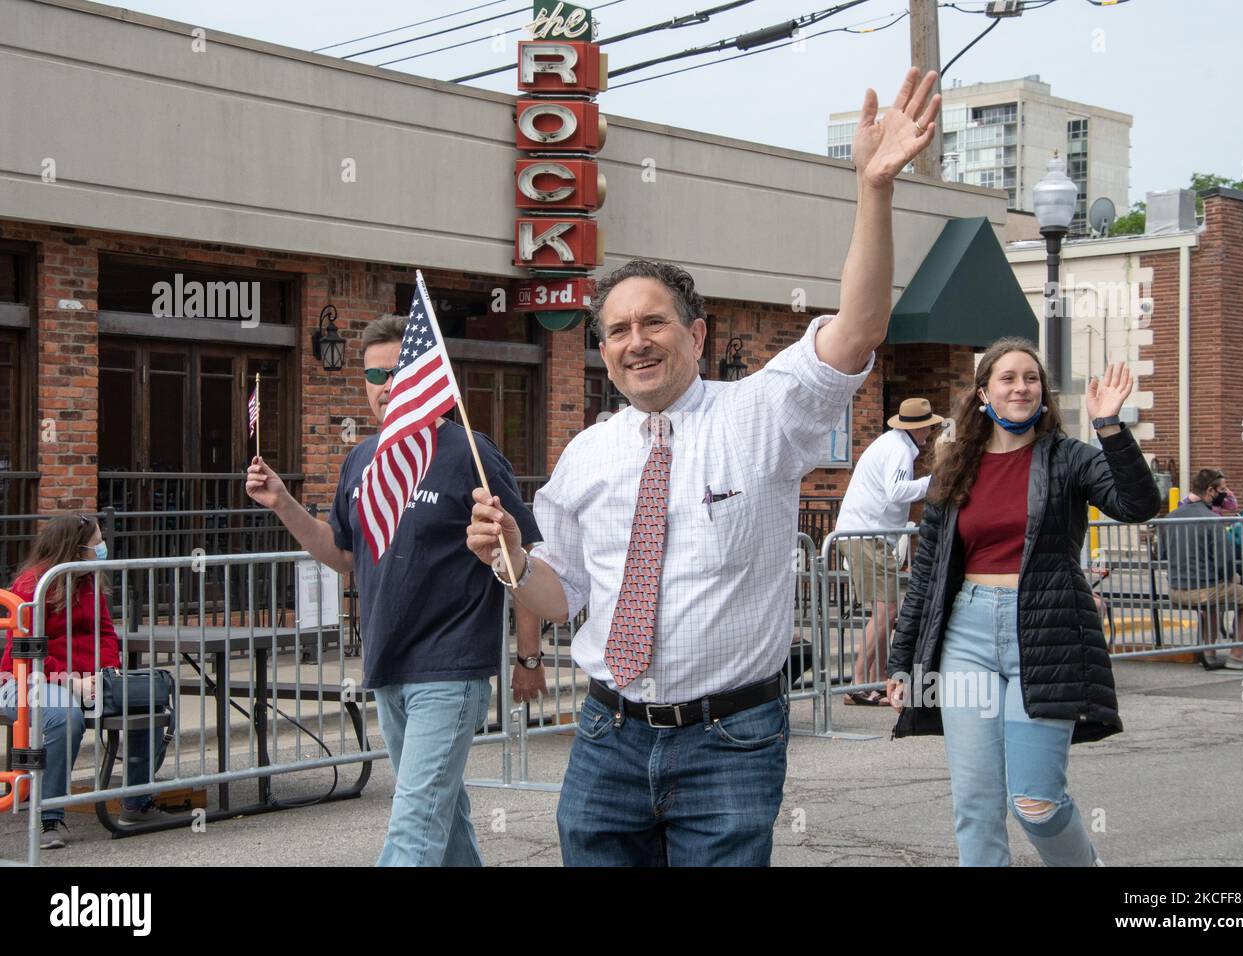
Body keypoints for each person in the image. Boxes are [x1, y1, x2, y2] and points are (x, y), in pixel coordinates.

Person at [466, 67, 942, 866]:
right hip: (605, 735)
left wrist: (874, 190)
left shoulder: (761, 414)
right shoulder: (588, 454)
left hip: (731, 740)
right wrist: (511, 561)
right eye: (616, 331)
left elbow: (857, 331)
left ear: (697, 332)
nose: (635, 341)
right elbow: (562, 595)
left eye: (654, 322)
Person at [246, 313, 543, 867]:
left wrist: (528, 656)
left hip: (450, 670)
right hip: (388, 666)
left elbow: (523, 559)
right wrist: (284, 503)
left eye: (399, 374)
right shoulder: (362, 459)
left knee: (412, 827)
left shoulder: (469, 453)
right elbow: (344, 556)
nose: (386, 387)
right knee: (442, 816)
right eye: (375, 374)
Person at [884, 345, 1161, 867]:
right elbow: (927, 574)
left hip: (1047, 633)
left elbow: (1138, 504)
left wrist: (1108, 425)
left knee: (1035, 801)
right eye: (1008, 378)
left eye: (1031, 378)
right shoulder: (955, 467)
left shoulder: (1071, 457)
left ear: (1042, 392)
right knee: (977, 802)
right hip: (966, 635)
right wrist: (903, 663)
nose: (1021, 387)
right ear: (985, 392)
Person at [0, 514, 171, 849]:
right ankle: (48, 817)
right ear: (75, 549)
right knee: (66, 716)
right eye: (97, 544)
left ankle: (136, 802)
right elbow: (27, 650)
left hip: (85, 680)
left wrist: (110, 672)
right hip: (24, 681)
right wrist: (69, 682)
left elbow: (106, 633)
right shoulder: (32, 586)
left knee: (148, 698)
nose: (101, 549)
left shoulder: (88, 583)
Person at [834, 397, 943, 705]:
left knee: (886, 610)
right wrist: (932, 483)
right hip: (867, 535)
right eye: (928, 427)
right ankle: (858, 683)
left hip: (867, 534)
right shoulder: (898, 449)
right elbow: (896, 492)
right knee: (887, 611)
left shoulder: (894, 443)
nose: (929, 433)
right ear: (920, 427)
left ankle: (877, 680)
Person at [1163, 468, 1243, 669]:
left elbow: (1161, 553)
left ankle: (1209, 651)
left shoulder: (1170, 517)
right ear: (1211, 491)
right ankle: (1237, 654)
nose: (1225, 493)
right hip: (1204, 589)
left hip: (1176, 589)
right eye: (1222, 489)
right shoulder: (1213, 519)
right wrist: (1232, 576)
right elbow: (1224, 560)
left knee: (1213, 603)